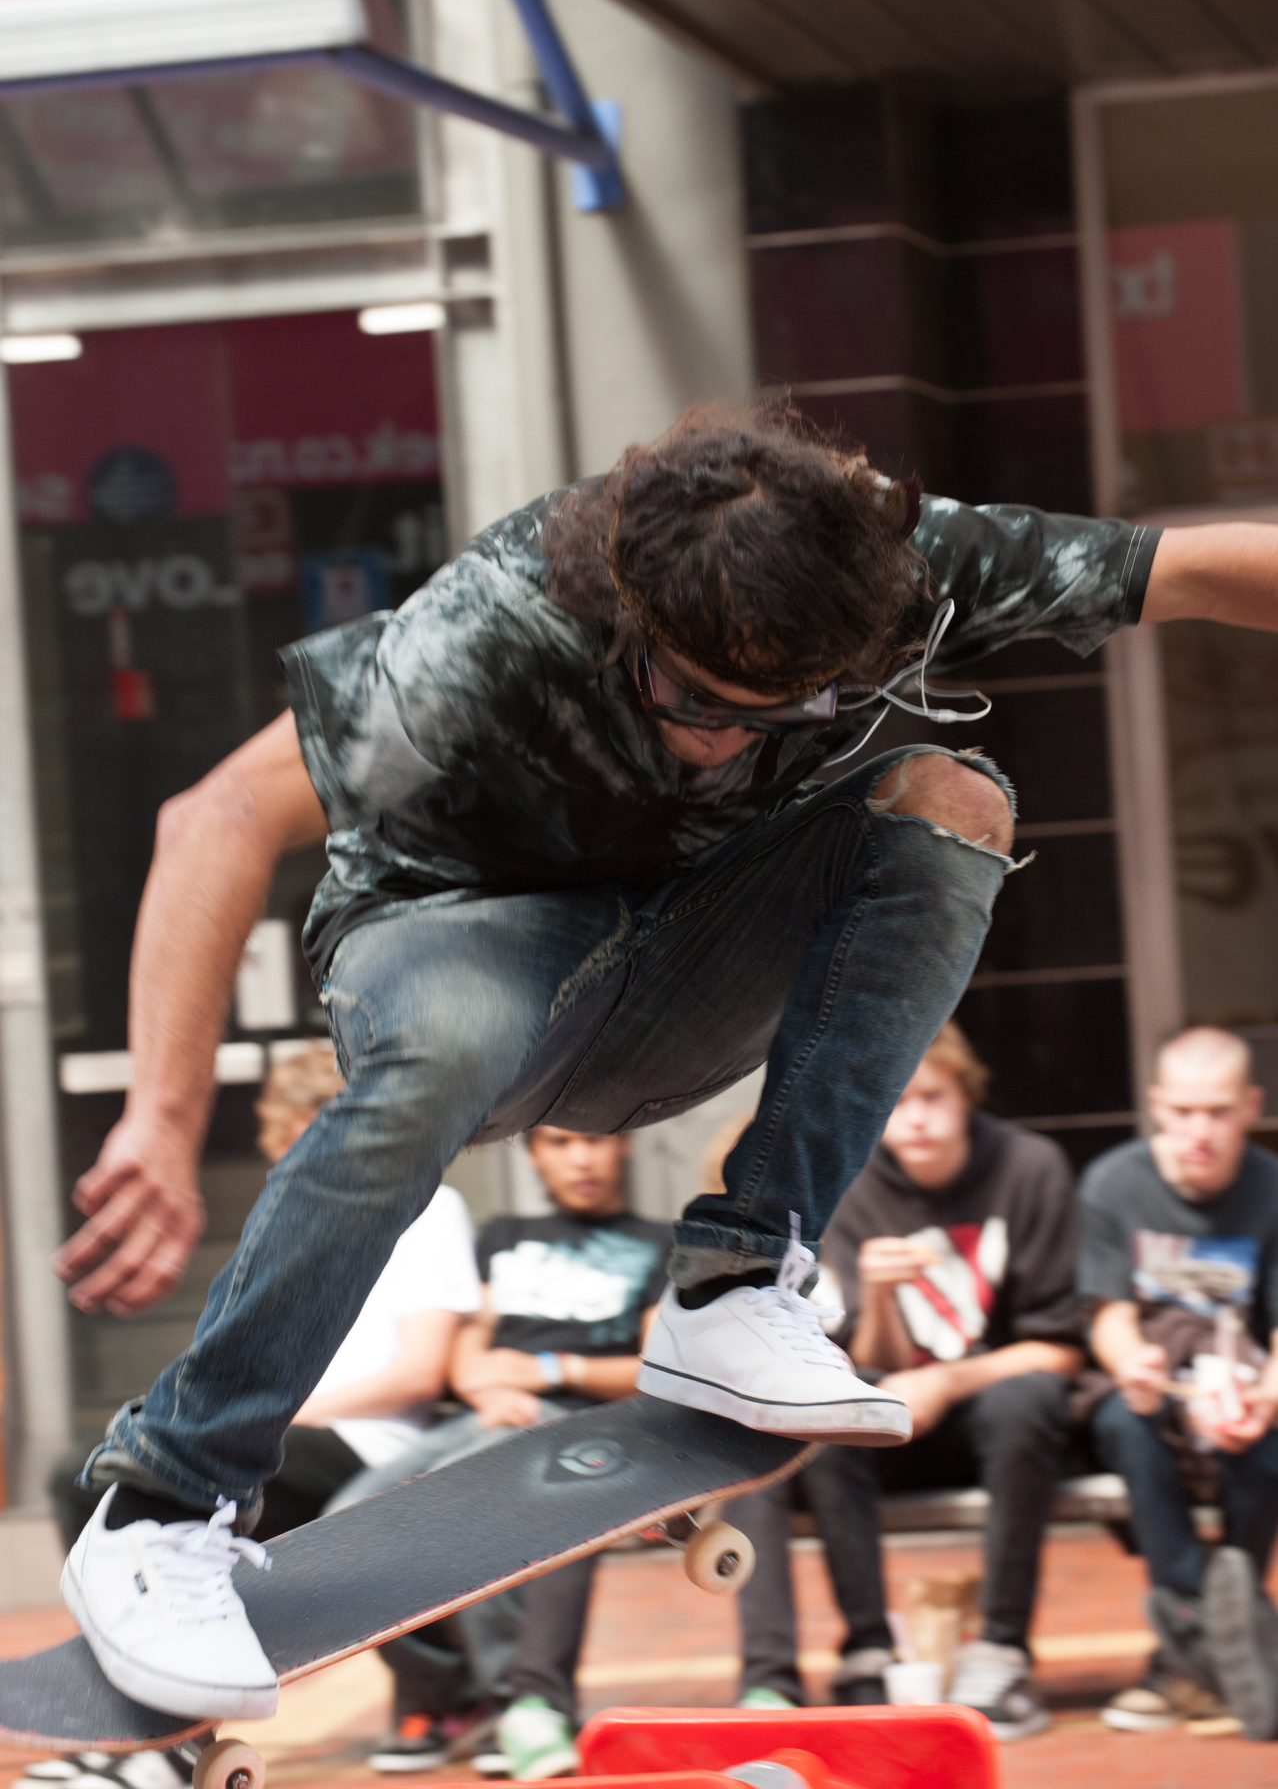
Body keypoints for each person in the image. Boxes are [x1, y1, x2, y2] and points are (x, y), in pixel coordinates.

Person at [51, 399, 1278, 1720]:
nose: (721, 738)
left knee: (950, 801)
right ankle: (163, 1496)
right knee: (454, 1038)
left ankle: (737, 1279)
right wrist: (161, 1116)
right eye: (687, 696)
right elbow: (219, 813)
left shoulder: (906, 569)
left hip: (675, 963)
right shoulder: (500, 620)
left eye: (780, 709)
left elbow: (1192, 568)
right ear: (627, 612)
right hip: (456, 940)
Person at [38, 1045, 486, 1787]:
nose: (303, 1158)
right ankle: (139, 1718)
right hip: (277, 1436)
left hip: (364, 1442)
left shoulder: (430, 1209)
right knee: (82, 1477)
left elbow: (418, 1372)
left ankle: (157, 1746)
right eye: (290, 1139)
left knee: (158, 1488)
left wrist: (275, 1417)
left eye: (322, 1133)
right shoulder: (285, 1221)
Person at [728, 1022, 1081, 1740]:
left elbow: (1059, 1350)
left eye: (933, 1097)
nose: (915, 1118)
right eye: (898, 1100)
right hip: (890, 1416)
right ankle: (868, 1647)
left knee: (1026, 1401)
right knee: (832, 1410)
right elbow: (866, 1354)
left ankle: (1000, 1650)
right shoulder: (854, 1179)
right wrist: (880, 1297)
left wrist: (947, 1382)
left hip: (997, 1418)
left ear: (967, 1096)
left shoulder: (1029, 1167)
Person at [329, 1123, 669, 1782]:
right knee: (349, 1520)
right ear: (534, 1153)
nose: (581, 1157)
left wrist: (549, 1370)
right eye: (560, 1143)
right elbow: (468, 1347)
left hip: (584, 1424)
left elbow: (654, 1367)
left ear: (623, 1144)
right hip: (489, 1413)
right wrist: (487, 1388)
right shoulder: (505, 1236)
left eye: (594, 1140)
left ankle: (517, 1702)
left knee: (470, 1500)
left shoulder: (659, 1244)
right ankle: (457, 1690)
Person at [1080, 1027, 1278, 1741]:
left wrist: (1267, 1397)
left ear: (1251, 1106)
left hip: (1239, 1381)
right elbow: (1108, 1315)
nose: (1201, 1130)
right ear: (1158, 1105)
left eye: (1219, 1112)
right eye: (1185, 1111)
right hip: (1151, 1385)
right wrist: (1131, 1363)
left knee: (1266, 1450)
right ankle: (1205, 1631)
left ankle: (1196, 1652)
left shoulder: (1271, 1188)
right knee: (1126, 1426)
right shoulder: (1114, 1183)